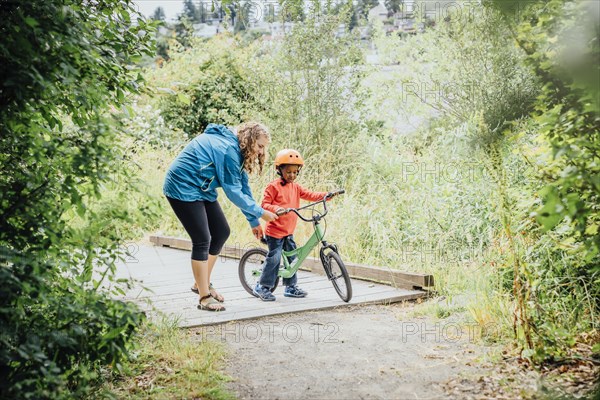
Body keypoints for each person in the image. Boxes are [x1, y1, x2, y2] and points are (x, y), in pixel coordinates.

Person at [163, 122, 278, 312]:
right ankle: (204, 297)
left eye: (264, 147)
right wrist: (261, 212)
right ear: (249, 140)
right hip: (182, 185)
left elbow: (243, 188)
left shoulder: (237, 150)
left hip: (202, 186)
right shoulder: (228, 151)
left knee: (221, 232)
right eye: (259, 146)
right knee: (202, 239)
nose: (261, 152)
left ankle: (201, 283)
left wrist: (253, 220)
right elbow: (233, 192)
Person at [253, 149, 335, 301]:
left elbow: (310, 195)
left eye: (295, 172)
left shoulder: (296, 187)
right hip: (275, 232)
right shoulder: (273, 186)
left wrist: (326, 196)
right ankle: (262, 286)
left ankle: (290, 287)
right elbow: (265, 204)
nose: (292, 175)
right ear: (279, 170)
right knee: (275, 258)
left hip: (288, 231)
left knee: (293, 259)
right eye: (288, 171)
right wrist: (277, 209)